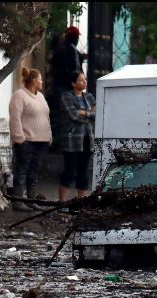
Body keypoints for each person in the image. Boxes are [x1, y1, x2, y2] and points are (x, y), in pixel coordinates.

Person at [8, 67, 52, 212]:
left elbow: (46, 117)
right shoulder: (19, 95)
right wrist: (20, 139)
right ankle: (18, 201)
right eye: (40, 79)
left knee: (34, 171)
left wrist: (49, 135)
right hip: (27, 141)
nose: (42, 81)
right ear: (33, 81)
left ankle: (31, 201)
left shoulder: (40, 96)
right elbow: (15, 118)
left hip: (41, 141)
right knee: (21, 171)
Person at [59, 71, 96, 203]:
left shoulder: (90, 97)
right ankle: (62, 202)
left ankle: (81, 202)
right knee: (69, 171)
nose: (84, 82)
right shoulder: (66, 96)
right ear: (73, 83)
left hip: (88, 139)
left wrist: (84, 113)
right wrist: (89, 114)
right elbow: (73, 115)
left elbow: (97, 115)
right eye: (81, 80)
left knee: (84, 172)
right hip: (72, 140)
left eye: (85, 79)